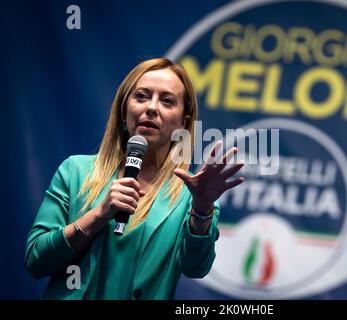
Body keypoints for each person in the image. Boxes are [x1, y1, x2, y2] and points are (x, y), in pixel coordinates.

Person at [24, 57, 245, 299]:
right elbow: (36, 260)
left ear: (183, 122)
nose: (151, 107)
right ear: (124, 110)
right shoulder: (74, 171)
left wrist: (202, 210)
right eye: (141, 96)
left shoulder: (193, 194)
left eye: (167, 101)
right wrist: (98, 215)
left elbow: (196, 268)